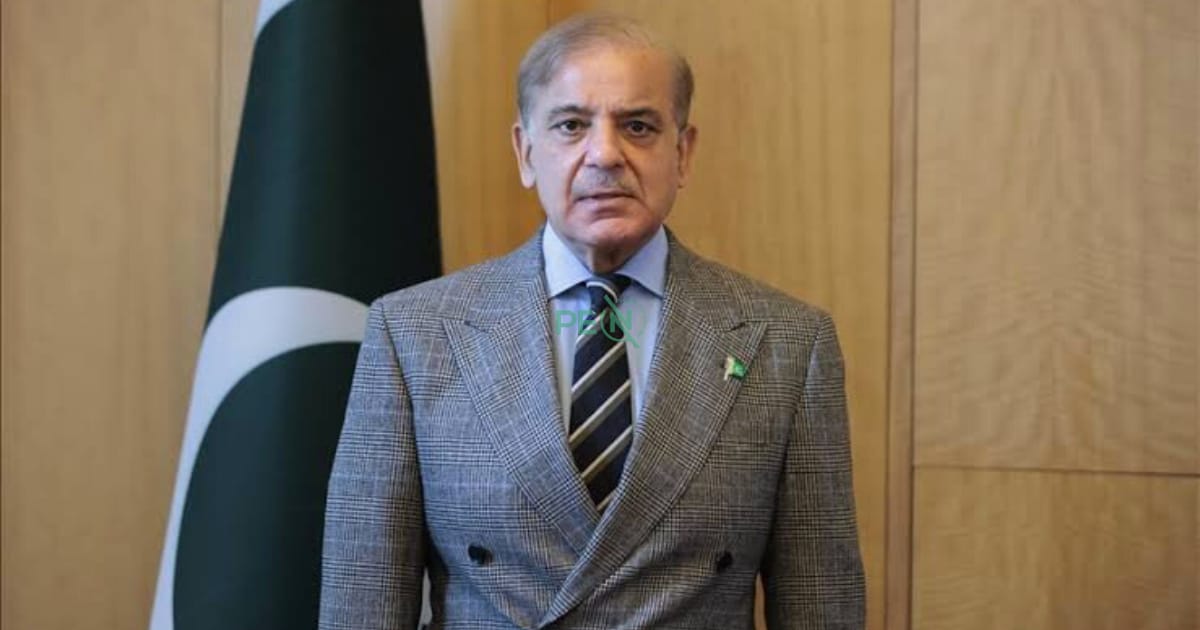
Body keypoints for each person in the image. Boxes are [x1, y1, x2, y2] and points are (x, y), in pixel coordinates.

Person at [319, 13, 864, 630]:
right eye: (571, 125)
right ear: (526, 152)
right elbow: (362, 603)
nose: (605, 154)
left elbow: (822, 604)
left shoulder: (789, 344)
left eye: (638, 126)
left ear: (682, 153)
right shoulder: (414, 335)